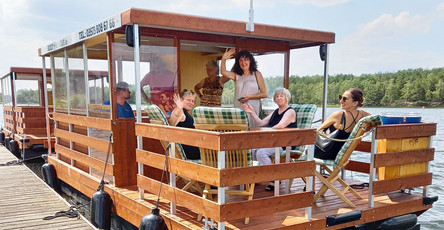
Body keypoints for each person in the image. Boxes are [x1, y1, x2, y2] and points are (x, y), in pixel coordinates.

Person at [242, 87, 297, 191]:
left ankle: (273, 178)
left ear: (287, 98)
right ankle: (261, 175)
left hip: (284, 144)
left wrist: (263, 133)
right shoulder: (276, 111)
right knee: (251, 151)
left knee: (261, 153)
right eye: (277, 96)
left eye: (282, 96)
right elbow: (261, 123)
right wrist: (252, 112)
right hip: (272, 142)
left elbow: (279, 126)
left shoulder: (290, 112)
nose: (279, 98)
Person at [314, 88, 370, 160]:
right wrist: (362, 133)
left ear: (355, 103)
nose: (341, 101)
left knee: (304, 151)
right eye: (340, 97)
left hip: (325, 153)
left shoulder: (338, 115)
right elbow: (378, 120)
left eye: (344, 99)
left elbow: (315, 132)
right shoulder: (363, 114)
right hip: (341, 156)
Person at [221, 48, 267, 127]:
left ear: (250, 61)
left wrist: (249, 97)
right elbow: (223, 72)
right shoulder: (236, 75)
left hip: (253, 110)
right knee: (239, 130)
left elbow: (264, 94)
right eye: (240, 60)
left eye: (246, 60)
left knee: (252, 131)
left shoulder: (257, 74)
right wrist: (223, 59)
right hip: (238, 109)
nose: (243, 62)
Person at [169, 89, 200, 160]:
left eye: (193, 101)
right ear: (181, 100)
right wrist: (179, 108)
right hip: (189, 152)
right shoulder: (179, 111)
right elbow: (171, 125)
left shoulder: (183, 111)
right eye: (188, 100)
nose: (191, 103)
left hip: (191, 147)